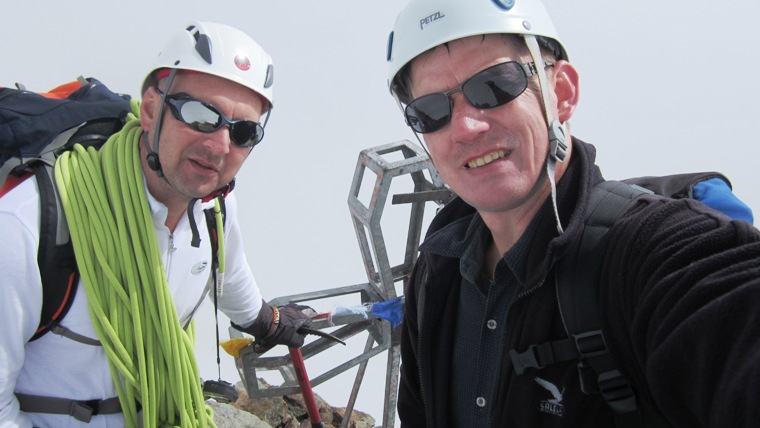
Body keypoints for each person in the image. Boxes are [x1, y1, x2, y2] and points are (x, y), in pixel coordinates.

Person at [385, 0, 760, 427]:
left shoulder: (647, 250)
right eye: (431, 112)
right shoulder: (436, 279)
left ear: (561, 93)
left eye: (494, 85)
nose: (466, 127)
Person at [0, 21, 312, 427]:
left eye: (244, 131)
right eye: (201, 115)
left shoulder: (215, 210)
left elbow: (229, 275)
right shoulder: (32, 224)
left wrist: (267, 322)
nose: (219, 146)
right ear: (150, 110)